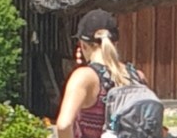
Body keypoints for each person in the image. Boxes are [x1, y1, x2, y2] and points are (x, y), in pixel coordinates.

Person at [56, 9, 144, 138]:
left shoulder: (84, 77)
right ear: (115, 43)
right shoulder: (137, 76)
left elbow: (64, 125)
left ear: (83, 45)